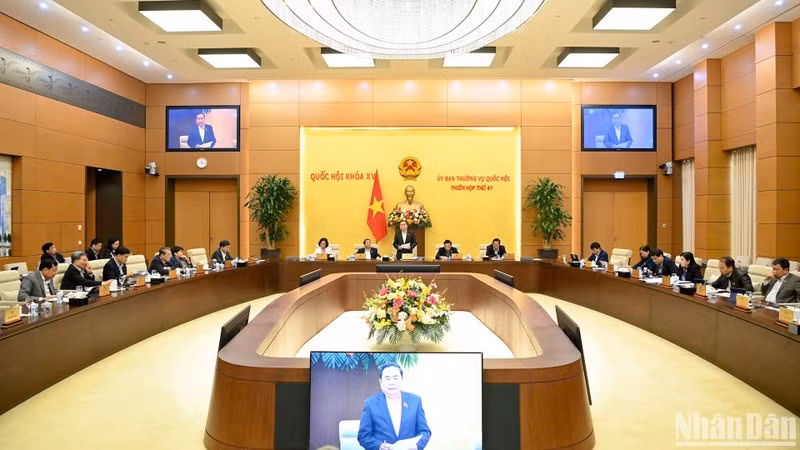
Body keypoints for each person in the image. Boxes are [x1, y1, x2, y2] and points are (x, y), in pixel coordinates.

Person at [357, 363, 431, 450]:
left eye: (395, 378)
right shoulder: (370, 404)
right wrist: (379, 446)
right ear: (380, 382)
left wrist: (417, 446)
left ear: (401, 380)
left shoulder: (415, 401)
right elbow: (363, 435)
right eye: (387, 379)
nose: (391, 383)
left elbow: (425, 431)